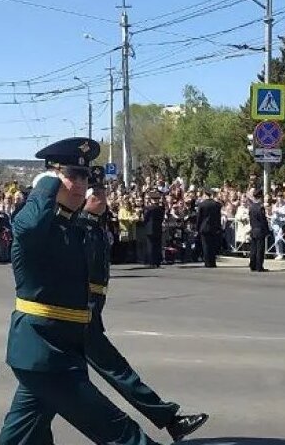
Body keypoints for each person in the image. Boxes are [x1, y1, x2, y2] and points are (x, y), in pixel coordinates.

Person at [0, 138, 161, 445]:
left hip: (58, 350)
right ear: (53, 178)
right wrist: (46, 182)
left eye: (85, 177)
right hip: (44, 351)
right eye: (72, 175)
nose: (80, 184)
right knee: (121, 433)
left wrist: (92, 216)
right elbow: (30, 228)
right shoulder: (32, 223)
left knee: (22, 435)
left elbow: (91, 268)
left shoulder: (71, 226)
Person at [78, 168, 209, 441]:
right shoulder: (79, 227)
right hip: (79, 311)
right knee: (115, 369)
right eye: (98, 195)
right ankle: (168, 418)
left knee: (39, 394)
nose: (103, 199)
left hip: (88, 308)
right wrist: (89, 304)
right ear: (86, 199)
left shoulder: (93, 225)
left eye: (103, 194)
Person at [196, 190, 222, 268]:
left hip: (204, 227)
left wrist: (198, 228)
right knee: (212, 245)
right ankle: (213, 262)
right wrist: (218, 227)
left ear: (205, 195)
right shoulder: (217, 205)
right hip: (214, 227)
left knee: (206, 246)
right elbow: (218, 217)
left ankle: (207, 262)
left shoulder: (202, 205)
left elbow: (199, 218)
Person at [248, 193, 270, 272]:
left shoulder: (251, 207)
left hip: (253, 229)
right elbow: (263, 221)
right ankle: (259, 266)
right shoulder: (260, 208)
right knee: (260, 249)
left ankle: (252, 265)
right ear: (260, 198)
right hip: (260, 230)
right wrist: (267, 230)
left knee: (253, 249)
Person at [143, 193, 164, 268]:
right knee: (157, 245)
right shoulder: (161, 208)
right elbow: (162, 218)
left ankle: (151, 262)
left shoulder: (148, 208)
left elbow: (145, 218)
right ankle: (157, 261)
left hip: (150, 229)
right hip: (158, 228)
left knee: (150, 246)